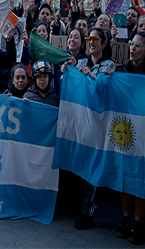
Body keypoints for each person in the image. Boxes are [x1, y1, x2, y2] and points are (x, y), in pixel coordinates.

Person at [66, 27, 114, 230]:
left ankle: (88, 211)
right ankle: (79, 204)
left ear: (104, 43)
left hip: (98, 124)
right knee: (79, 165)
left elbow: (103, 91)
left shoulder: (109, 65)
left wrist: (92, 78)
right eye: (90, 38)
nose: (92, 42)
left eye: (96, 39)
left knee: (91, 170)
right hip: (81, 123)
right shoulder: (83, 63)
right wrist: (68, 73)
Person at [109, 32, 145, 244]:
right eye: (131, 44)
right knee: (125, 173)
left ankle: (139, 222)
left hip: (143, 131)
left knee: (141, 175)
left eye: (138, 45)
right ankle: (125, 219)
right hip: (126, 130)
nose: (133, 48)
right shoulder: (121, 71)